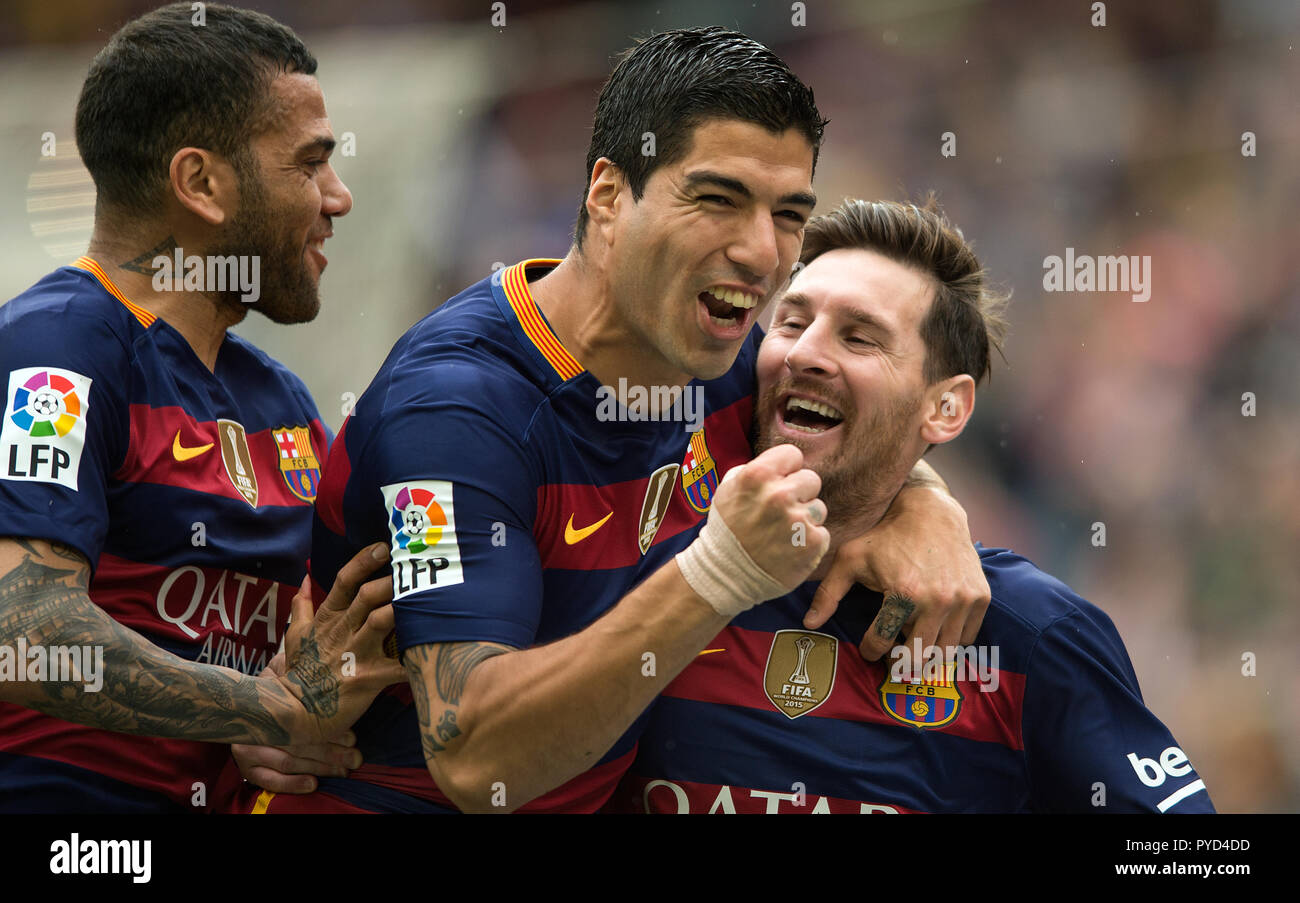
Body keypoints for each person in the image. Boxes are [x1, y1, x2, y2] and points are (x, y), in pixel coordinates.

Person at [229, 27, 990, 814]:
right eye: (717, 199)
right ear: (606, 196)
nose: (763, 252)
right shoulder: (458, 411)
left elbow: (849, 414)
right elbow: (473, 753)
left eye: (789, 213)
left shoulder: (715, 358)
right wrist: (717, 574)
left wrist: (925, 503)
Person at [612, 198, 1215, 813]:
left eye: (860, 337)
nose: (802, 353)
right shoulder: (641, 565)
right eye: (790, 323)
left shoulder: (1027, 636)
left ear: (946, 408)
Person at [0, 3, 401, 813]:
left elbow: (312, 657)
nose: (339, 197)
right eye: (310, 164)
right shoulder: (56, 349)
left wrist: (271, 711)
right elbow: (24, 636)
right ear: (201, 183)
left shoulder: (281, 402)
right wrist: (264, 709)